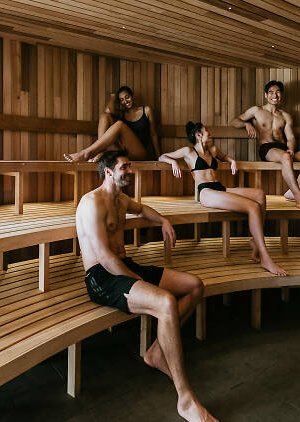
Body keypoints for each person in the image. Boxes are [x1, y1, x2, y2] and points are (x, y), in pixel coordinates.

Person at [75, 150, 217, 422]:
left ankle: (155, 352)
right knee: (165, 301)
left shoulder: (119, 199)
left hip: (125, 265)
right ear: (108, 171)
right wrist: (137, 281)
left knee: (195, 286)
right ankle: (186, 400)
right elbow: (103, 257)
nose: (130, 171)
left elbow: (141, 209)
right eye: (125, 167)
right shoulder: (92, 203)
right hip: (102, 277)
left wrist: (162, 219)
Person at [159, 122, 287, 276]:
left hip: (219, 187)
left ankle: (255, 241)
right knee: (253, 207)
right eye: (206, 131)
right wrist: (173, 162)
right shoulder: (188, 151)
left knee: (259, 194)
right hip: (206, 192)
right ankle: (265, 257)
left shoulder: (212, 150)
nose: (209, 132)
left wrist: (232, 162)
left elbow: (225, 157)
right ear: (198, 135)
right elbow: (162, 156)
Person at [231, 80, 300, 211]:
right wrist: (246, 124)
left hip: (285, 148)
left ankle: (291, 192)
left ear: (282, 95)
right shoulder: (256, 111)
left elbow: (291, 137)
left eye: (277, 92)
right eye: (271, 92)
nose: (274, 95)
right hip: (268, 148)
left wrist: (291, 149)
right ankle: (299, 199)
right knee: (286, 157)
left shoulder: (285, 116)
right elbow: (235, 121)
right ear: (265, 95)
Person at [64, 86, 160, 162]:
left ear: (132, 96)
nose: (125, 101)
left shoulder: (146, 110)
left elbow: (153, 134)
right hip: (124, 151)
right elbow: (108, 110)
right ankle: (100, 152)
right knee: (104, 117)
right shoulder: (122, 114)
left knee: (119, 125)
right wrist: (113, 97)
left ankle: (86, 153)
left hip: (140, 153)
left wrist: (159, 156)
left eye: (127, 97)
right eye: (121, 100)